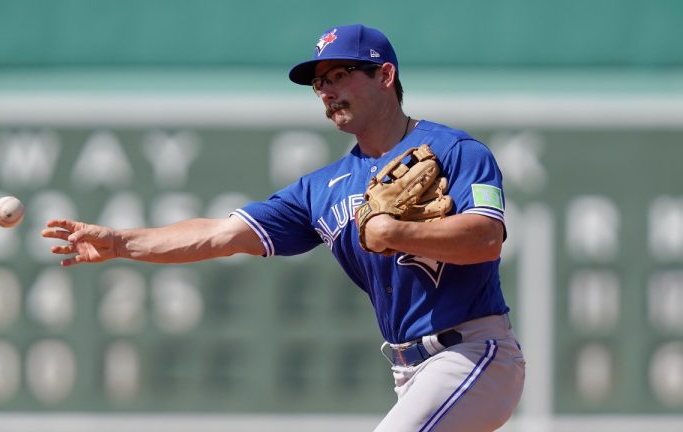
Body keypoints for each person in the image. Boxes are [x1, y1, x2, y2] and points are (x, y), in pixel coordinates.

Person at [42, 24, 525, 432]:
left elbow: (485, 239)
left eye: (340, 75)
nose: (327, 91)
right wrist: (123, 242)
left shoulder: (456, 151)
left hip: (473, 353)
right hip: (408, 372)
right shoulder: (324, 188)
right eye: (319, 84)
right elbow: (219, 234)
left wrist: (394, 232)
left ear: (385, 75)